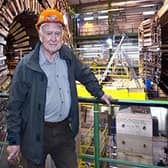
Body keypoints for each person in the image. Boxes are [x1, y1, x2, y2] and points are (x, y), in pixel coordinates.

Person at [6, 9, 111, 168]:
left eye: (57, 33)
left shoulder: (67, 56)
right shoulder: (26, 66)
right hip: (35, 132)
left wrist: (100, 93)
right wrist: (14, 140)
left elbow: (84, 73)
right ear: (40, 36)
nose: (53, 39)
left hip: (63, 131)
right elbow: (14, 106)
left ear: (62, 34)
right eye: (49, 33)